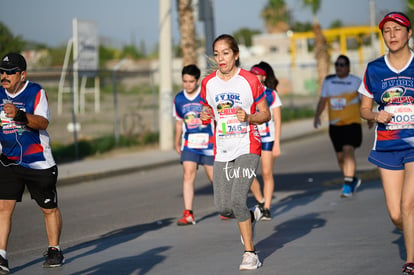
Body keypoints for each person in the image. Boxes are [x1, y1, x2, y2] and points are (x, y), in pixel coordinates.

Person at [200, 34, 270, 271]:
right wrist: (205, 115)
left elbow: (265, 113)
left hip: (247, 146)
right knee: (223, 206)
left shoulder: (249, 80)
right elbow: (206, 109)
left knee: (238, 199)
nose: (221, 58)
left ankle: (250, 253)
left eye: (226, 53)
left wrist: (249, 117)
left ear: (236, 54)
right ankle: (249, 217)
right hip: (222, 149)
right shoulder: (208, 83)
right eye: (217, 54)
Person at [358, 11, 414, 275]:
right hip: (387, 146)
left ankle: (411, 262)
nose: (392, 35)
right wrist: (374, 114)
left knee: (408, 205)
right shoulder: (374, 69)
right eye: (387, 31)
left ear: (409, 33)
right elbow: (364, 109)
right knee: (395, 214)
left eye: (397, 29)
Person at [0, 53, 64, 274]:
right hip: (8, 160)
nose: (4, 76)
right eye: (1, 72)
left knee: (48, 208)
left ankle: (54, 249)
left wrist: (19, 114)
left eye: (9, 72)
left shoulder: (36, 92)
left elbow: (43, 122)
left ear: (22, 74)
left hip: (38, 161)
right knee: (3, 208)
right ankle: (1, 257)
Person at [313, 54, 365, 197]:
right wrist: (317, 116)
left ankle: (347, 184)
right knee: (340, 157)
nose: (339, 67)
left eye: (342, 65)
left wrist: (370, 117)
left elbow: (364, 102)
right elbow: (323, 100)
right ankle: (351, 179)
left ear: (348, 67)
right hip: (335, 125)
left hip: (352, 123)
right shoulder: (329, 81)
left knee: (348, 151)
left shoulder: (356, 81)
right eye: (337, 64)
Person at [173, 64, 214, 226]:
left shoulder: (205, 96)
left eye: (191, 81)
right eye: (185, 81)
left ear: (197, 81)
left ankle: (225, 206)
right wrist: (176, 142)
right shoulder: (179, 99)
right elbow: (178, 123)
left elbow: (214, 118)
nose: (187, 84)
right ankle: (188, 213)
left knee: (213, 177)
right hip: (189, 144)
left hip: (208, 143)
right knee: (188, 174)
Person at [249, 62, 282, 220]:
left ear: (263, 77)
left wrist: (277, 143)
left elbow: (277, 119)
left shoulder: (271, 94)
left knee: (267, 173)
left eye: (257, 74)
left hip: (267, 138)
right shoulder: (245, 93)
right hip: (250, 138)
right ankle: (260, 200)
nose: (254, 76)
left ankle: (267, 208)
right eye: (252, 73)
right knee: (248, 173)